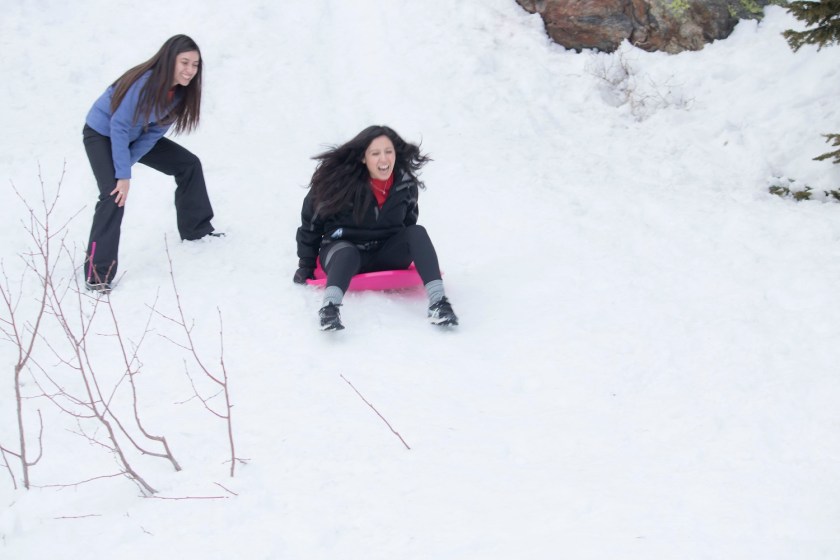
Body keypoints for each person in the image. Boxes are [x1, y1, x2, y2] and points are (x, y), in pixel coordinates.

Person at [82, 34, 221, 293]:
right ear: (170, 60)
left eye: (195, 64)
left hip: (136, 135)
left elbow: (154, 133)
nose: (190, 70)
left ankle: (196, 229)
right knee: (114, 195)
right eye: (185, 63)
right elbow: (119, 126)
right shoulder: (143, 83)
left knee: (188, 164)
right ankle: (97, 273)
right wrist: (121, 176)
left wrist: (126, 164)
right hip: (102, 133)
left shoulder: (180, 94)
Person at [294, 125, 459, 331]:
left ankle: (439, 303)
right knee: (346, 253)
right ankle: (329, 308)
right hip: (343, 252)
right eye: (375, 153)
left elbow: (409, 221)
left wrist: (408, 246)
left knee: (417, 232)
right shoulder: (337, 184)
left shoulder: (404, 184)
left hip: (385, 254)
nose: (384, 159)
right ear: (363, 158)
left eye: (389, 152)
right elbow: (311, 224)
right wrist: (306, 265)